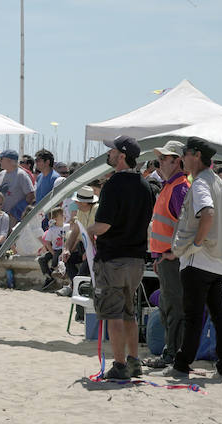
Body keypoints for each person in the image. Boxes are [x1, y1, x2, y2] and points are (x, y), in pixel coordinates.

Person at [165, 137, 222, 379]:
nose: (182, 158)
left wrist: (196, 243)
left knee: (194, 317)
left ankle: (182, 364)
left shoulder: (200, 183)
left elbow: (207, 213)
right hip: (219, 262)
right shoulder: (218, 182)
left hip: (199, 260)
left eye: (185, 153)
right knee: (219, 314)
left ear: (196, 155)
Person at [87, 135, 154, 380]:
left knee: (113, 314)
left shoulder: (114, 184)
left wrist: (86, 231)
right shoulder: (145, 185)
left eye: (113, 151)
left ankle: (119, 365)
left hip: (113, 258)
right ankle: (134, 361)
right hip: (136, 259)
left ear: (122, 155)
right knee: (128, 313)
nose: (109, 154)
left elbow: (104, 225)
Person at [146, 140, 190, 368]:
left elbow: (187, 226)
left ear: (177, 161)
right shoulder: (171, 187)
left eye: (164, 158)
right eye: (160, 158)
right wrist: (159, 256)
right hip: (167, 258)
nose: (159, 162)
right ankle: (172, 353)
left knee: (173, 308)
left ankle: (172, 354)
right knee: (168, 307)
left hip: (174, 259)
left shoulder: (179, 188)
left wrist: (171, 252)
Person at [57, 186, 100, 297]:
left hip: (97, 248)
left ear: (84, 202)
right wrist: (66, 249)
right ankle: (77, 286)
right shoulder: (81, 211)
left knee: (89, 261)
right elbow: (75, 232)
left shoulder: (97, 210)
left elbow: (100, 235)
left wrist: (91, 249)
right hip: (84, 246)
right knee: (68, 258)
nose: (75, 202)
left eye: (77, 200)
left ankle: (73, 287)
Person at [0, 149, 35, 225]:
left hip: (14, 219)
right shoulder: (1, 174)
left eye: (1, 159)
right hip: (0, 217)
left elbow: (31, 196)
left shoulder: (21, 175)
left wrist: (16, 213)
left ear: (9, 160)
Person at [38, 208, 67, 291]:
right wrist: (52, 252)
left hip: (64, 249)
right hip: (55, 250)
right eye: (62, 215)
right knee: (41, 259)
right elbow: (47, 243)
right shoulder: (52, 229)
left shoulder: (67, 227)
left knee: (57, 254)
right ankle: (49, 276)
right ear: (55, 218)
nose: (64, 216)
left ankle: (53, 269)